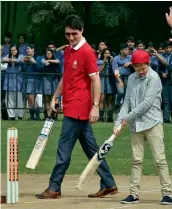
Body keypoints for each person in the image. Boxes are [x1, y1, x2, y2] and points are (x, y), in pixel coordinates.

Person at [36, 14, 117, 199]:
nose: (71, 37)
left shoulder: (87, 51)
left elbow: (96, 79)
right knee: (91, 149)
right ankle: (109, 183)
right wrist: (55, 96)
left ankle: (54, 186)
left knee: (63, 147)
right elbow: (67, 77)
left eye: (74, 33)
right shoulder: (68, 50)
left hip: (79, 108)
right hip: (71, 105)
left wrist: (95, 106)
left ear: (81, 31)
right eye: (67, 34)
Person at [113, 50, 172, 205]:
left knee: (159, 160)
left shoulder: (154, 78)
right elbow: (127, 102)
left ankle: (167, 194)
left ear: (148, 64)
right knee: (136, 160)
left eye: (142, 67)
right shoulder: (132, 78)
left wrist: (126, 119)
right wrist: (118, 122)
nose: (139, 70)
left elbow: (146, 104)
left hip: (153, 123)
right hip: (136, 125)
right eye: (136, 67)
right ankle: (134, 194)